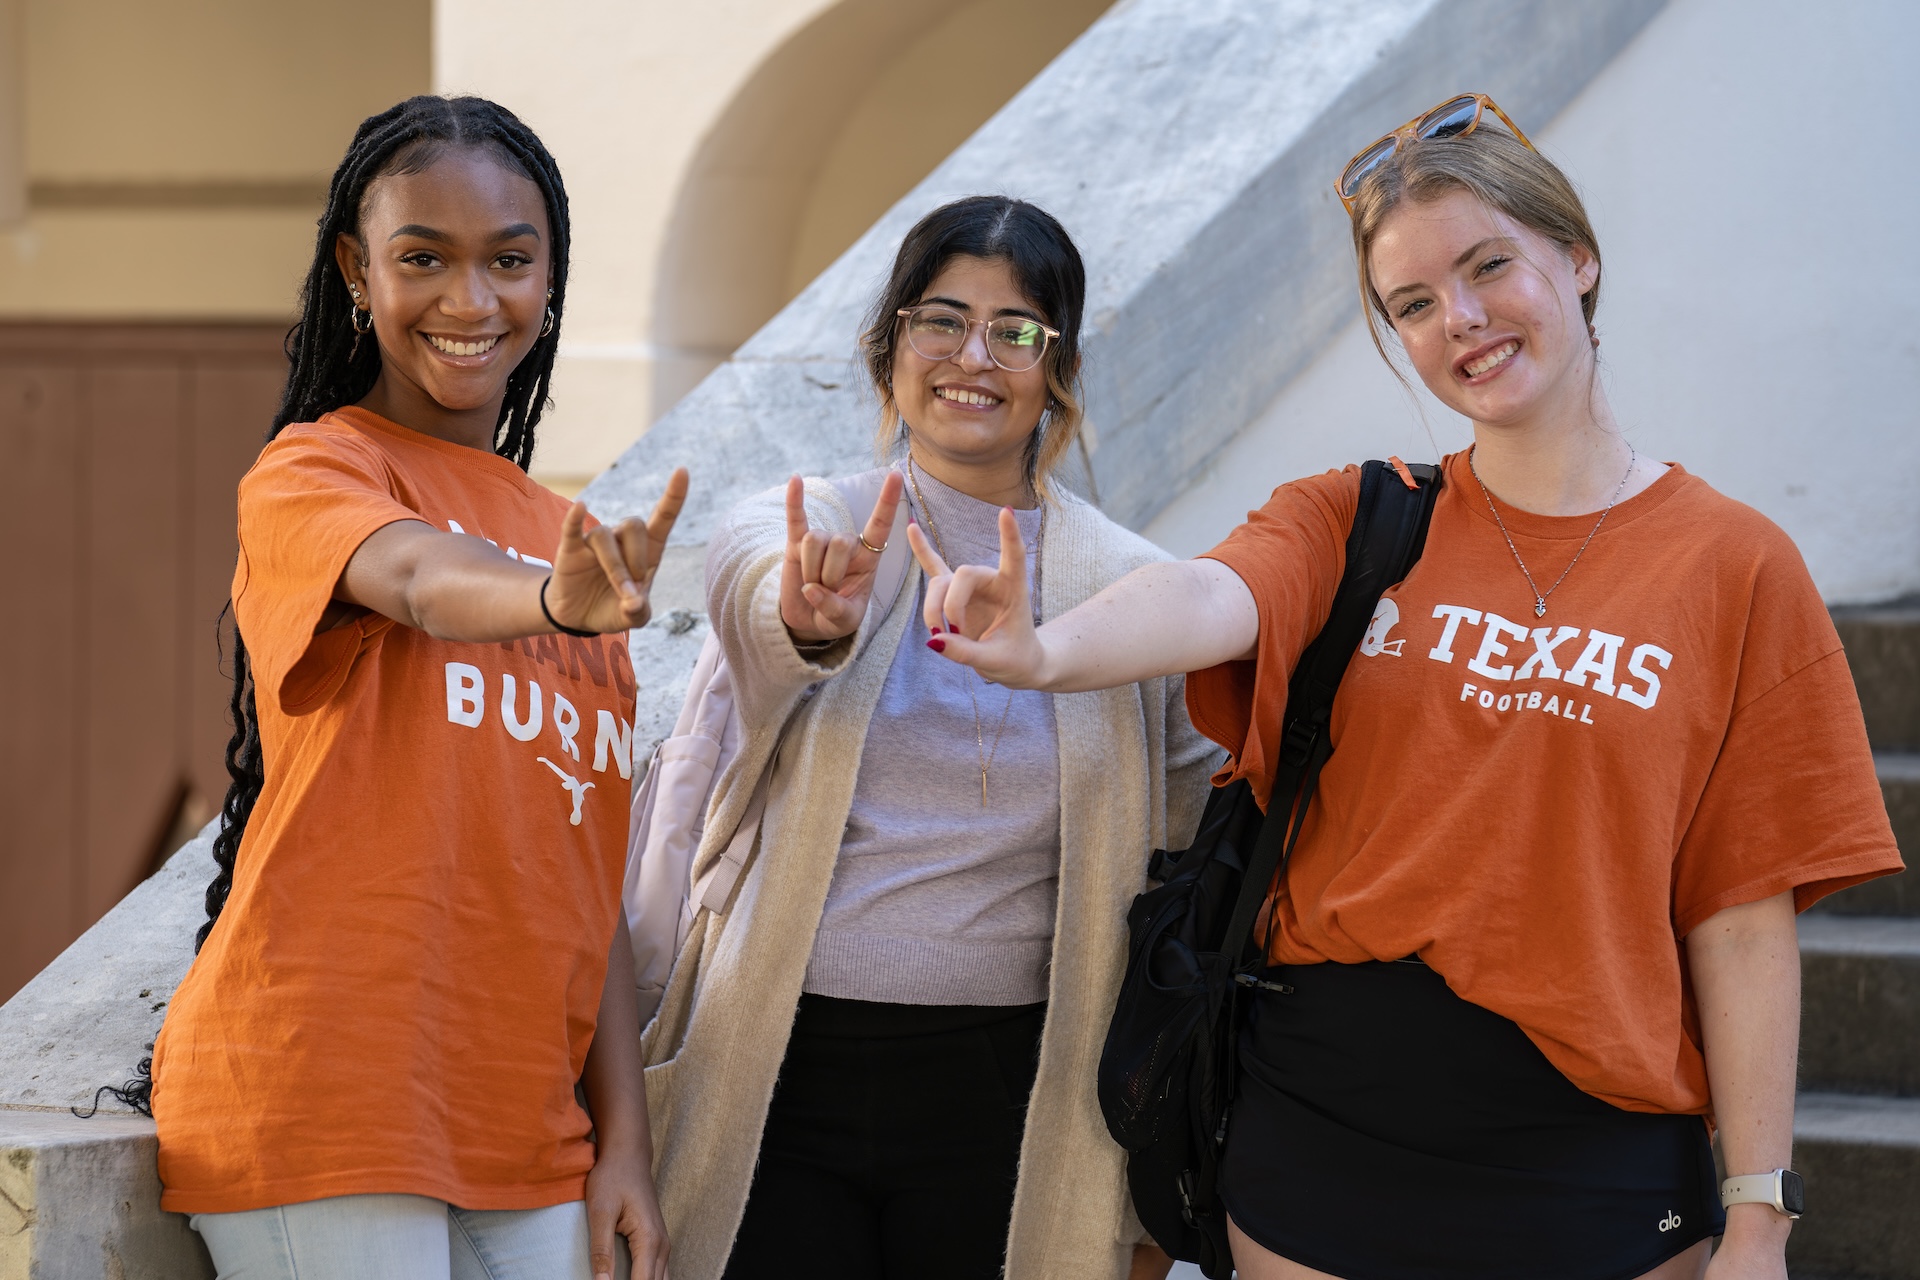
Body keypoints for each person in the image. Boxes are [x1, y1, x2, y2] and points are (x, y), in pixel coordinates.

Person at [911, 96, 1902, 1280]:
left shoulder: (1737, 565)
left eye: (1490, 267)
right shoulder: (1359, 514)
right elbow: (1210, 596)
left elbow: (1739, 916)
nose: (1462, 321)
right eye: (1414, 304)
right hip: (1325, 1137)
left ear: (1579, 260)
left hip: (1601, 1156)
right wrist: (1046, 649)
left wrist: (1760, 1215)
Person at [148, 95, 688, 1280]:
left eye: (509, 260)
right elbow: (418, 575)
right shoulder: (317, 468)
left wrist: (624, 1143)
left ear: (550, 277)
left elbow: (582, 873)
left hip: (527, 1131)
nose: (470, 300)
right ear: (356, 270)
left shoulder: (562, 534)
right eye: (421, 258)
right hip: (327, 1097)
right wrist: (549, 600)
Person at [637, 196, 1219, 1280]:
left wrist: (1148, 1201)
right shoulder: (803, 522)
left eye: (1017, 330)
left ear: (1060, 367)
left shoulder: (1135, 590)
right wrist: (810, 614)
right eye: (940, 319)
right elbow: (752, 590)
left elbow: (1185, 863)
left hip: (1012, 1091)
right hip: (773, 1063)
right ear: (888, 347)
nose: (974, 355)